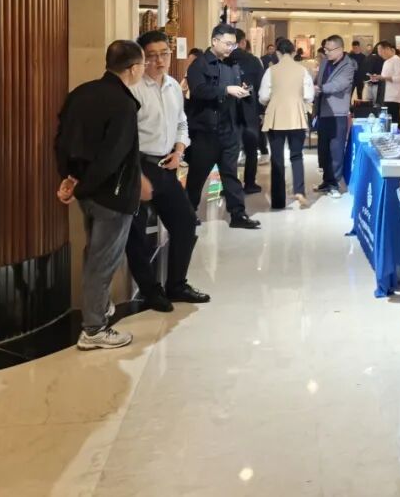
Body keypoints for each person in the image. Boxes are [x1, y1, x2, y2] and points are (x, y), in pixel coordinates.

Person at [54, 40, 148, 351]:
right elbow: (113, 157)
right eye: (143, 65)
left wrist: (69, 179)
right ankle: (94, 328)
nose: (143, 70)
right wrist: (81, 186)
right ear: (132, 68)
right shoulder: (123, 103)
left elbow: (62, 139)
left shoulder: (81, 93)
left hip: (88, 192)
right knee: (103, 260)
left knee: (94, 253)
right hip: (111, 195)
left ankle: (99, 307)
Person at [124, 32, 210, 311]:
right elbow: (124, 137)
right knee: (136, 234)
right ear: (141, 58)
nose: (159, 60)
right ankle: (150, 291)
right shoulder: (133, 89)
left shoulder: (173, 86)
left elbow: (181, 122)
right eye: (152, 56)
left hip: (166, 166)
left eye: (164, 54)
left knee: (185, 223)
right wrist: (137, 173)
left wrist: (179, 150)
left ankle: (177, 285)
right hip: (138, 167)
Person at [184, 24, 261, 229]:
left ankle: (238, 215)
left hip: (230, 129)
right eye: (227, 44)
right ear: (214, 41)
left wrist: (243, 90)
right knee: (197, 177)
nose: (231, 48)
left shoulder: (232, 64)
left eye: (233, 45)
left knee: (231, 175)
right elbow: (199, 90)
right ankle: (187, 214)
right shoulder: (199, 65)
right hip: (205, 132)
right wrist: (226, 89)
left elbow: (236, 89)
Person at [260, 38, 313, 210]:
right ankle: (299, 191)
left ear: (278, 53)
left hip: (276, 117)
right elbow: (309, 96)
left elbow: (263, 96)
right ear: (293, 52)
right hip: (297, 115)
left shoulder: (271, 71)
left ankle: (278, 201)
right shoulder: (302, 70)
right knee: (296, 156)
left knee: (277, 158)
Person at [313, 34, 356, 197]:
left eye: (329, 50)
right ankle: (326, 181)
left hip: (337, 113)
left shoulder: (348, 65)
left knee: (336, 150)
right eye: (325, 49)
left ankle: (335, 184)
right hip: (323, 111)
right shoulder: (325, 62)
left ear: (340, 49)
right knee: (323, 149)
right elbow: (318, 80)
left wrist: (320, 88)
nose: (326, 52)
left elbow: (339, 84)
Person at [229, 28, 265, 195]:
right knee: (251, 150)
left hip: (229, 111)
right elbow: (261, 88)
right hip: (250, 110)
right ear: (243, 42)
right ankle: (250, 183)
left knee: (230, 151)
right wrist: (261, 112)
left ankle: (230, 185)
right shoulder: (253, 61)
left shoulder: (223, 59)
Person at [371, 40, 400, 127]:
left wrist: (383, 78)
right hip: (386, 95)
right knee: (387, 120)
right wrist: (377, 78)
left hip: (395, 96)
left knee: (394, 120)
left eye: (381, 51)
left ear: (387, 49)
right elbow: (384, 77)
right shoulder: (386, 61)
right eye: (378, 52)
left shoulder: (397, 60)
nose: (380, 54)